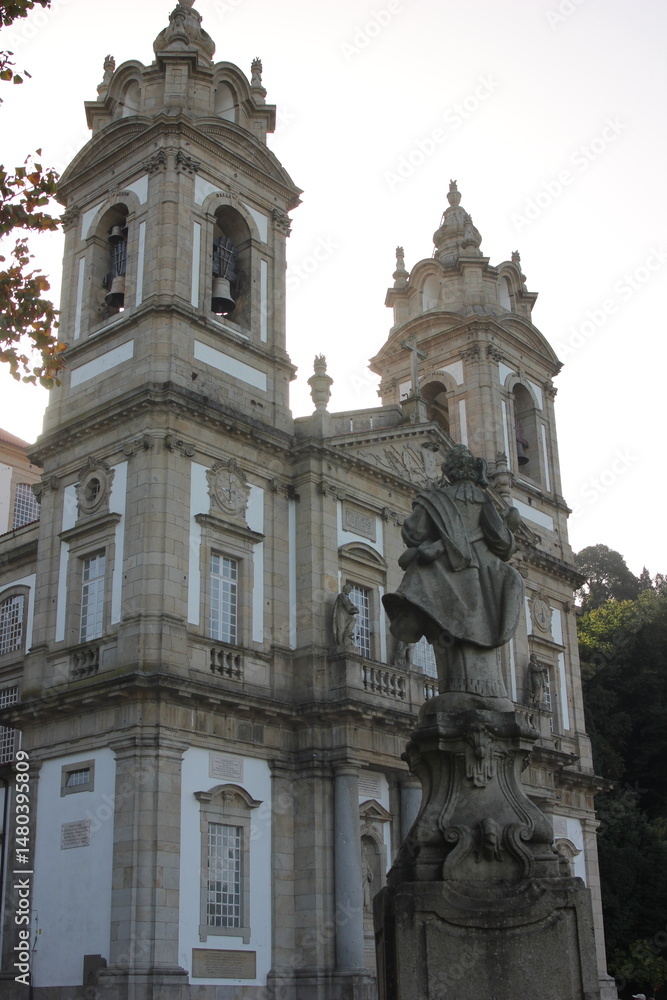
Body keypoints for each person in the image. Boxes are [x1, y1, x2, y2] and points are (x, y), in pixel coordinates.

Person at [382, 444, 523, 711]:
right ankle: (484, 690)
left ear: (449, 472)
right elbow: (502, 543)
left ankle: (456, 687)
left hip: (440, 581)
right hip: (475, 584)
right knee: (475, 640)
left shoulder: (435, 499)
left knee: (448, 641)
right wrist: (507, 532)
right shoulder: (483, 501)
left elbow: (412, 533)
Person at [332, 583, 358, 649]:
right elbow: (347, 604)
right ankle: (340, 643)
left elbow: (351, 605)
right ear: (346, 589)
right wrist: (353, 610)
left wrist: (354, 609)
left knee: (353, 619)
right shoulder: (341, 595)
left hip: (347, 613)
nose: (349, 592)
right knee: (341, 628)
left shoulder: (347, 597)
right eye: (349, 590)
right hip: (341, 612)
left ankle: (347, 635)